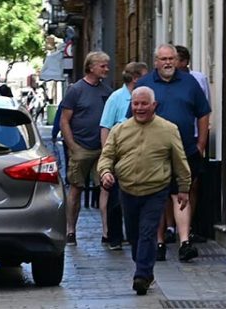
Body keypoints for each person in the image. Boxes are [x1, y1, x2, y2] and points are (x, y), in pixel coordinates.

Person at [98, 86, 191, 295]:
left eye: (144, 104)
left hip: (156, 190)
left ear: (154, 105)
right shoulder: (120, 130)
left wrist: (184, 188)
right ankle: (145, 269)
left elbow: (180, 161)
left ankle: (141, 274)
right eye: (136, 104)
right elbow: (107, 156)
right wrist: (105, 172)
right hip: (127, 189)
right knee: (133, 235)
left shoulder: (168, 129)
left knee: (148, 231)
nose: (139, 108)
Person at [134, 44, 211, 262]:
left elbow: (203, 113)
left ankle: (184, 241)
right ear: (155, 62)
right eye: (163, 59)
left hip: (185, 149)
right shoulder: (145, 84)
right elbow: (135, 114)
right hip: (154, 152)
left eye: (171, 58)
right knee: (157, 197)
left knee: (182, 194)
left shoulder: (189, 83)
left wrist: (201, 143)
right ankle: (159, 242)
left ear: (177, 60)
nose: (168, 63)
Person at [60, 51, 112, 246]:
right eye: (103, 66)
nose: (106, 69)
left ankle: (107, 232)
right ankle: (70, 230)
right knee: (76, 188)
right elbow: (65, 120)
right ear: (91, 67)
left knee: (106, 187)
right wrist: (72, 145)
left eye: (107, 65)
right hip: (81, 147)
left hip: (102, 148)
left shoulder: (106, 91)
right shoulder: (76, 90)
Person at [98, 61, 149, 250]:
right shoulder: (116, 98)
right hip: (119, 154)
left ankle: (134, 235)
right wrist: (107, 157)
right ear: (136, 78)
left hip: (141, 154)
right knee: (116, 198)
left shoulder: (146, 97)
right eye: (144, 75)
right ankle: (115, 237)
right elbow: (105, 127)